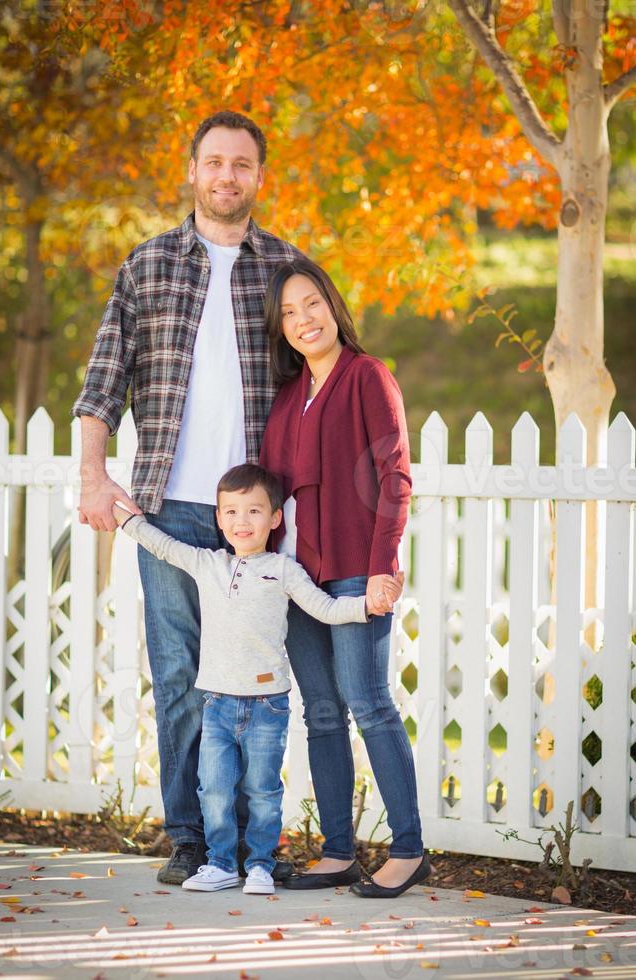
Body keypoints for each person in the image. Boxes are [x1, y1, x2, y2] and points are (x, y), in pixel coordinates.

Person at [72, 110, 305, 885]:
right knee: (178, 676)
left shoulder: (287, 270)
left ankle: (249, 844)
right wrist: (93, 477)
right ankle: (192, 841)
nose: (227, 176)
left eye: (242, 164)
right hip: (167, 506)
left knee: (256, 676)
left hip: (254, 518)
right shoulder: (148, 265)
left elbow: (320, 382)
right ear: (193, 169)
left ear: (259, 177)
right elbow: (102, 384)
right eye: (215, 161)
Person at [111, 464, 402, 895]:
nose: (241, 522)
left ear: (275, 518)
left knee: (263, 790)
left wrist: (365, 607)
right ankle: (221, 863)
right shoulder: (207, 563)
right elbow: (163, 545)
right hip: (217, 704)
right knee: (213, 789)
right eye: (230, 512)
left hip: (266, 704)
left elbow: (323, 608)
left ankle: (261, 864)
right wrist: (126, 519)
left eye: (253, 511)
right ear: (219, 518)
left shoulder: (284, 570)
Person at [260, 257, 430, 899]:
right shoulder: (285, 399)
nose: (304, 320)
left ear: (332, 305)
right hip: (300, 578)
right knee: (322, 713)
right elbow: (273, 491)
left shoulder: (368, 377)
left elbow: (396, 476)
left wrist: (385, 564)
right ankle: (338, 851)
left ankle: (409, 849)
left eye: (312, 304)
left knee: (369, 703)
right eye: (289, 313)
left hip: (357, 570)